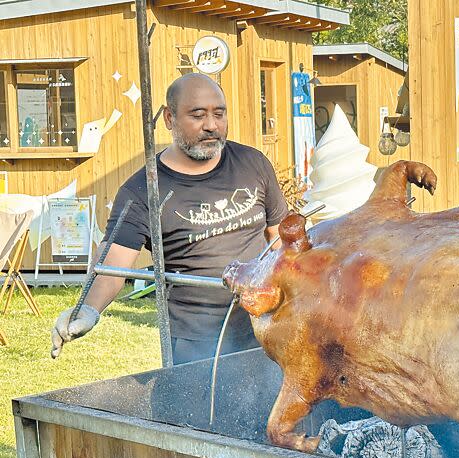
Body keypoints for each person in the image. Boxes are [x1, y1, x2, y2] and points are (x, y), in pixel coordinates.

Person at [51, 73, 289, 364]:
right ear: (169, 118)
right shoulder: (143, 190)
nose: (211, 125)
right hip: (196, 345)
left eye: (219, 114)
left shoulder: (253, 164)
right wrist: (88, 309)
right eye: (197, 115)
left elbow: (281, 240)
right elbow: (112, 265)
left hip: (266, 326)